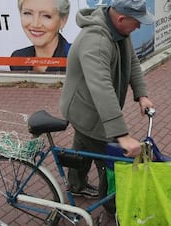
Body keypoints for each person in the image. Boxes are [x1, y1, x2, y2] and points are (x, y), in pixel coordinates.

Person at [59, 0, 154, 214]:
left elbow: (132, 62)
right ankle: (113, 207)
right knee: (110, 162)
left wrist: (141, 94)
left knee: (83, 147)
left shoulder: (120, 33)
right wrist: (121, 134)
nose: (139, 27)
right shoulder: (96, 42)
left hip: (90, 108)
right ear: (121, 19)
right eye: (137, 22)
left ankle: (76, 185)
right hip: (86, 111)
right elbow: (101, 87)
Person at [10, 0, 71, 72]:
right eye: (28, 13)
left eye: (46, 16)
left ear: (63, 20)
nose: (35, 24)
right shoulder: (18, 58)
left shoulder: (76, 60)